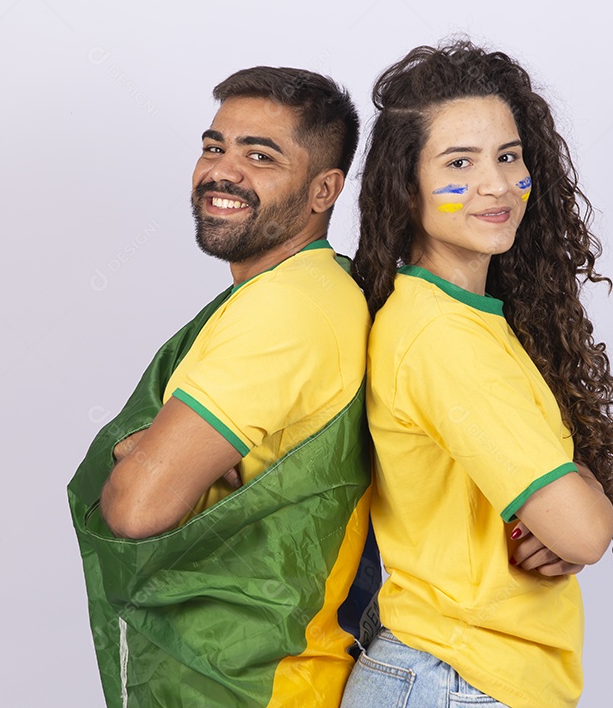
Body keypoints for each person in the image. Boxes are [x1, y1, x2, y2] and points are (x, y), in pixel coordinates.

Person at [341, 41, 613, 707]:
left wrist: (564, 519)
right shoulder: (442, 338)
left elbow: (562, 529)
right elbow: (585, 530)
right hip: (454, 679)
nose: (498, 184)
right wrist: (578, 498)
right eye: (459, 163)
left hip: (452, 676)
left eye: (508, 156)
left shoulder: (461, 318)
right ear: (405, 183)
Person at [67, 66, 381, 708]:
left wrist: (145, 450)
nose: (223, 172)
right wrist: (175, 456)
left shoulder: (285, 312)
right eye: (215, 146)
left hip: (250, 682)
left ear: (325, 189)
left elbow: (135, 506)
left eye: (260, 156)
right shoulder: (298, 293)